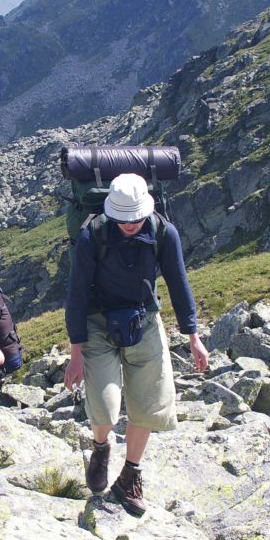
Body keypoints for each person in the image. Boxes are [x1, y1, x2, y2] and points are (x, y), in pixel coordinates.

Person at [63, 173, 209, 516]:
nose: (130, 225)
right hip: (97, 323)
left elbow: (178, 282)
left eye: (136, 218)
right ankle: (101, 446)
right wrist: (76, 353)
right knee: (104, 404)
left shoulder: (163, 232)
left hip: (143, 319)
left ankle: (130, 476)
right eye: (123, 219)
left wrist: (193, 336)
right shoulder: (91, 236)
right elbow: (77, 294)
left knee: (149, 401)